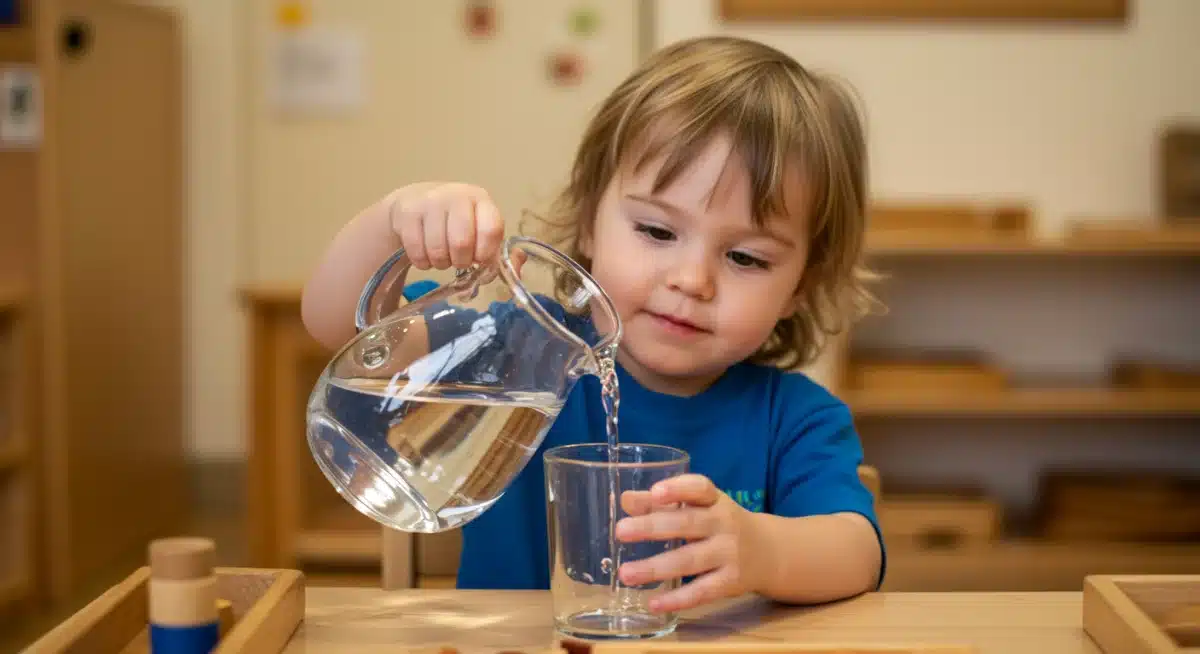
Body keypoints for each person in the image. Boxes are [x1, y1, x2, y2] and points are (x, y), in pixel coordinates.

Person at [301, 35, 885, 613]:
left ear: (798, 289)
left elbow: (859, 552)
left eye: (746, 258)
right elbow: (338, 327)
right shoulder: (514, 355)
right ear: (588, 222)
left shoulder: (795, 419)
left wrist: (762, 551)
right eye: (657, 232)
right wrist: (396, 221)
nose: (692, 279)